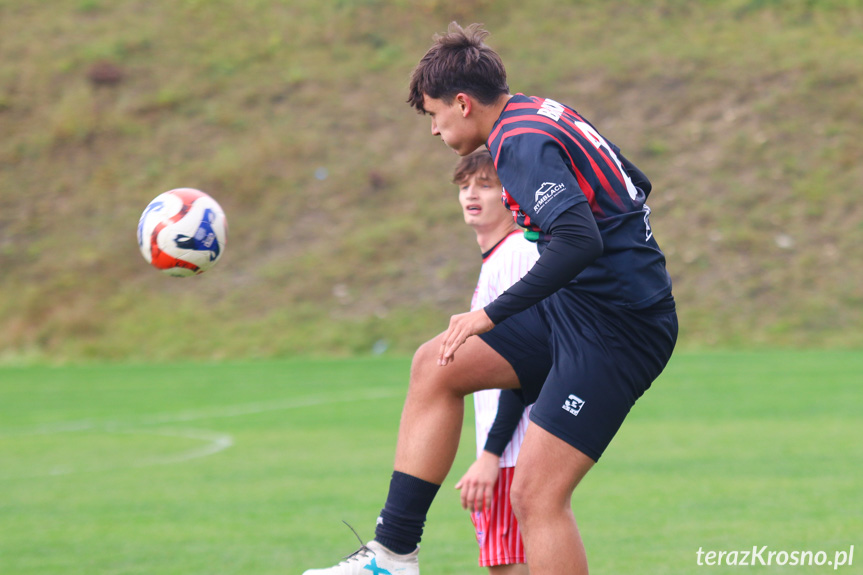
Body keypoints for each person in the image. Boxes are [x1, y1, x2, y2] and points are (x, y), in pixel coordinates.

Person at [303, 22, 677, 575]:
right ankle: (392, 554)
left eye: (433, 115)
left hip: (618, 332)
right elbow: (634, 183)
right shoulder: (539, 112)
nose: (434, 130)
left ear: (461, 102)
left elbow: (579, 238)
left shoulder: (518, 142)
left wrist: (489, 313)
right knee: (436, 363)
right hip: (578, 309)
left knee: (535, 496)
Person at [451, 150, 538, 575]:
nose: (472, 194)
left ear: (511, 196)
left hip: (513, 452)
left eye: (486, 185)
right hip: (511, 451)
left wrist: (490, 454)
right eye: (465, 185)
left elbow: (527, 362)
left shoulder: (518, 254)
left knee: (510, 566)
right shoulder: (498, 259)